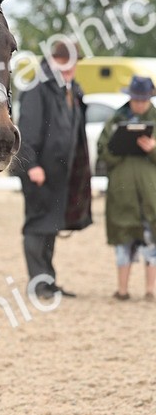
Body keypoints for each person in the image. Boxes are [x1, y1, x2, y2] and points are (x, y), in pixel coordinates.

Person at [17, 39, 92, 299]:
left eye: (73, 62)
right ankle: (38, 284)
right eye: (64, 61)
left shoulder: (71, 89)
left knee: (51, 226)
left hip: (62, 174)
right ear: (53, 61)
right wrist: (32, 166)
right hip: (39, 172)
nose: (69, 67)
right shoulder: (38, 89)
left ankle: (48, 280)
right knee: (38, 226)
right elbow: (26, 132)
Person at [96, 75, 156, 301]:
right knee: (123, 240)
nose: (139, 104)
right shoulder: (115, 120)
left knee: (152, 239)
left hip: (151, 193)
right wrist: (117, 147)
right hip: (122, 192)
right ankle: (122, 290)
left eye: (143, 99)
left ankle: (151, 290)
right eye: (135, 99)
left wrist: (152, 149)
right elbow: (103, 152)